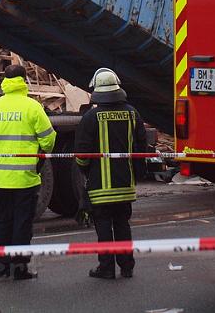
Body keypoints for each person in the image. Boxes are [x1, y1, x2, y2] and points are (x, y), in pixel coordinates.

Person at [0, 64, 56, 280]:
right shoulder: (32, 107)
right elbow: (49, 140)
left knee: (3, 220)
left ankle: (0, 266)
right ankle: (19, 268)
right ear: (24, 80)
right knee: (22, 222)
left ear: (4, 81)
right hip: (25, 177)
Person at [74, 67, 146, 280]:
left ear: (97, 90)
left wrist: (85, 170)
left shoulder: (90, 117)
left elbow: (82, 154)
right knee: (123, 225)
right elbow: (142, 147)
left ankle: (106, 268)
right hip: (125, 185)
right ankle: (127, 267)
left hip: (100, 186)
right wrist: (136, 173)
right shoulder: (133, 113)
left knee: (103, 226)